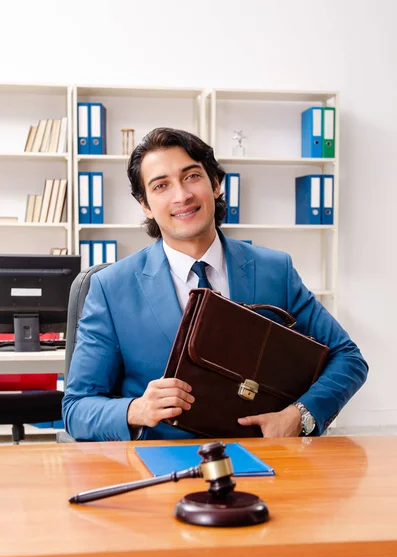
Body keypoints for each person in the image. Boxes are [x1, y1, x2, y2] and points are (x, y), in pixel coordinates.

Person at [62, 127, 368, 441]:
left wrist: (298, 416)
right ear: (145, 204)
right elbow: (76, 408)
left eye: (192, 176)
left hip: (264, 460)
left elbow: (347, 358)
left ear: (216, 184)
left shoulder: (274, 270)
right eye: (161, 185)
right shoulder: (111, 288)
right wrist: (136, 410)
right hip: (160, 469)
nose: (181, 195)